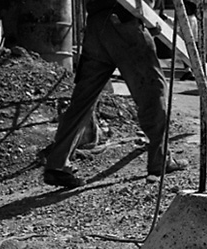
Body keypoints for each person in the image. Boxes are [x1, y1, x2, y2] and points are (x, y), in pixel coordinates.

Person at [43, 0, 189, 189]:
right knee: (153, 92)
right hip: (122, 18)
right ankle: (160, 159)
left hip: (97, 25)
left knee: (83, 100)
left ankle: (57, 163)